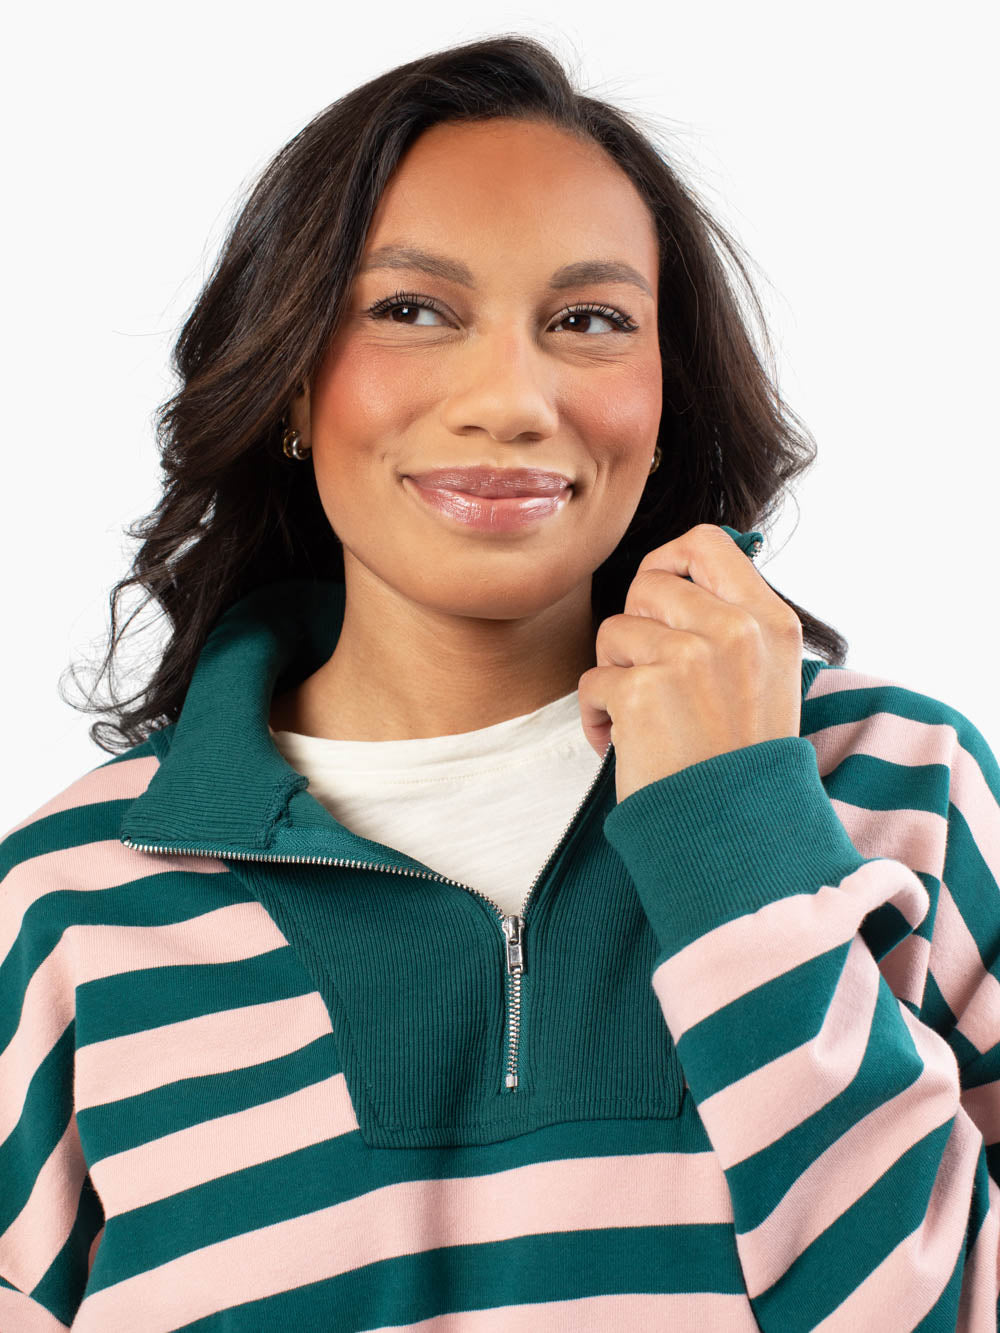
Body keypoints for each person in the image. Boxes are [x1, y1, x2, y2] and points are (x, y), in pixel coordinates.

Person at [2, 33, 998, 1333]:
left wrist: (737, 833)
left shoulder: (899, 797)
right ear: (296, 380)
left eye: (588, 321)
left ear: (664, 394)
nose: (511, 398)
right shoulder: (68, 905)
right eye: (412, 309)